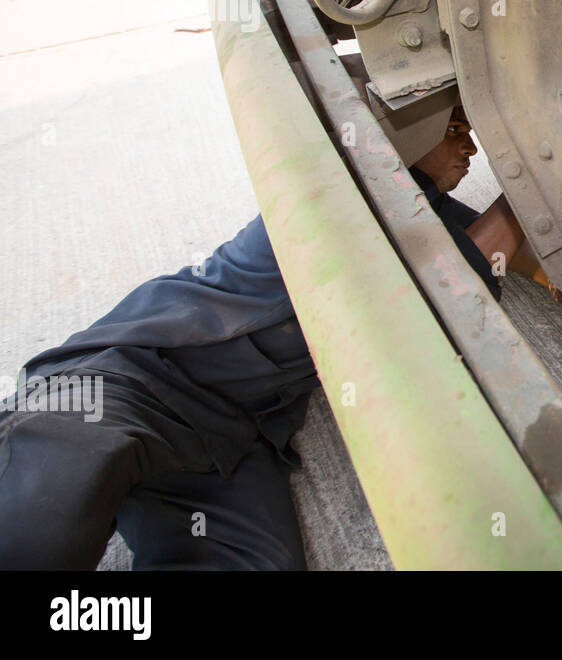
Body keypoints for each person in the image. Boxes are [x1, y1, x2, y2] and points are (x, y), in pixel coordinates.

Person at [0, 106, 526, 570]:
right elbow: (456, 284)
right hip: (128, 381)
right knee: (42, 523)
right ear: (407, 137)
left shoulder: (433, 217)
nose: (470, 148)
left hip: (227, 440)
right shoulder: (328, 200)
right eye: (455, 129)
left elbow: (506, 256)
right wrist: (538, 180)